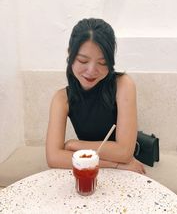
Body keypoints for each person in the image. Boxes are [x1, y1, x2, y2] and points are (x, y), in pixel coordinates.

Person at [46, 18, 145, 174]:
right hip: (103, 168)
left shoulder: (123, 85)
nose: (91, 70)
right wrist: (115, 164)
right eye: (83, 60)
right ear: (70, 54)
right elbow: (53, 158)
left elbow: (125, 152)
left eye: (102, 62)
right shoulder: (61, 99)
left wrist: (74, 145)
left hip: (124, 171)